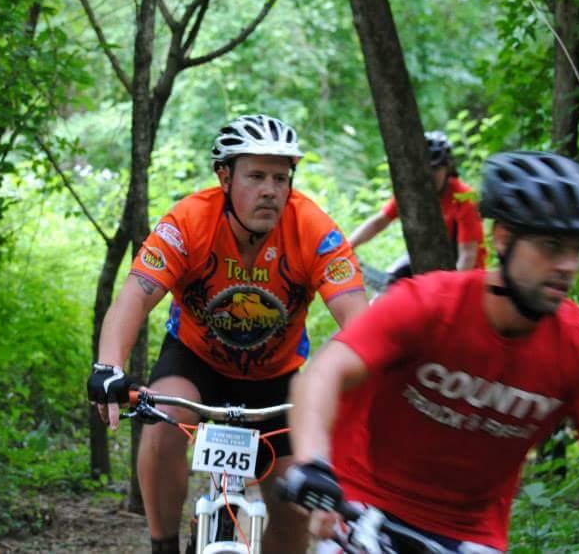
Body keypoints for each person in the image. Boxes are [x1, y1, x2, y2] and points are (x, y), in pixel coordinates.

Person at [286, 151, 579, 553]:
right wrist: (313, 464)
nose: (569, 265)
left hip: (469, 532)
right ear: (503, 238)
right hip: (363, 499)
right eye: (551, 246)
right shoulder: (427, 305)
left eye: (576, 249)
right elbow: (325, 373)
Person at [87, 114, 368, 554]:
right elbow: (133, 299)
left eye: (281, 177)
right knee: (161, 430)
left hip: (278, 377)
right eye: (255, 176)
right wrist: (108, 366)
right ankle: (163, 546)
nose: (271, 190)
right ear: (224, 176)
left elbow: (361, 324)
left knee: (295, 496)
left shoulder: (315, 230)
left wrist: (376, 378)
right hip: (195, 363)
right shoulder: (188, 221)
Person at [348, 130, 486, 280]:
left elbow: (467, 256)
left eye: (435, 169)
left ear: (448, 168)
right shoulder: (412, 194)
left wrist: (451, 294)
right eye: (423, 168)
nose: (429, 175)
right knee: (388, 288)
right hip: (429, 261)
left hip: (465, 274)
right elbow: (379, 222)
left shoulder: (464, 198)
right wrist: (349, 246)